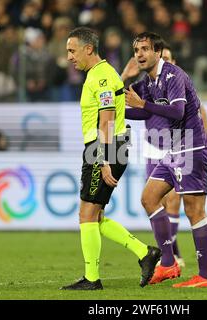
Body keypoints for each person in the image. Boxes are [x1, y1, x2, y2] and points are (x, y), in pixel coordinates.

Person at [61, 27, 161, 291]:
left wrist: (103, 159)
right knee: (95, 217)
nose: (69, 57)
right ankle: (144, 253)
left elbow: (106, 119)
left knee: (87, 215)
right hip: (108, 147)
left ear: (88, 49)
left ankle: (92, 279)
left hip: (104, 148)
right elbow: (112, 104)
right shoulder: (102, 74)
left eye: (72, 50)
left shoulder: (101, 77)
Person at [124, 32, 207, 288]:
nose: (139, 54)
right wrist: (119, 109)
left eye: (144, 49)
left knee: (194, 210)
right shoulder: (149, 81)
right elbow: (137, 109)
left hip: (192, 147)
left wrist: (143, 104)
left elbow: (176, 111)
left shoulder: (174, 75)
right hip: (174, 151)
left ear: (157, 51)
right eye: (136, 50)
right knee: (149, 198)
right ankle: (168, 263)